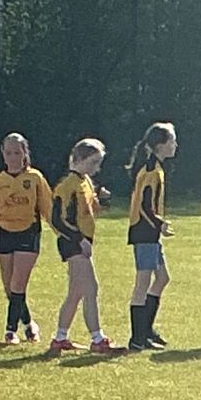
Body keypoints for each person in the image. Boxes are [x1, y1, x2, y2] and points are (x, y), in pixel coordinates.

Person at [45, 139, 119, 354]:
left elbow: (91, 209)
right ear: (79, 159)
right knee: (91, 289)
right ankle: (97, 339)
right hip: (72, 243)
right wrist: (79, 239)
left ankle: (60, 338)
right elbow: (57, 219)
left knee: (76, 292)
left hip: (82, 241)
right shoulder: (66, 185)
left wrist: (103, 200)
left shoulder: (85, 182)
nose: (96, 168)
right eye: (93, 162)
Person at [0, 132, 52, 345]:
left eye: (17, 152)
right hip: (4, 233)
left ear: (24, 154)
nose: (13, 157)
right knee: (9, 287)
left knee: (18, 282)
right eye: (9, 152)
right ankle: (29, 325)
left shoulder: (35, 178)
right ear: (3, 154)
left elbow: (48, 208)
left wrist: (63, 233)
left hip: (28, 232)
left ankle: (10, 331)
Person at [125, 122, 177, 350]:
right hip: (144, 232)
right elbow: (146, 207)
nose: (176, 145)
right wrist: (160, 223)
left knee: (162, 278)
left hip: (150, 234)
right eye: (172, 141)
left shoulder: (157, 168)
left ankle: (146, 328)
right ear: (161, 145)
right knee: (142, 283)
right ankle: (137, 338)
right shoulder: (151, 171)